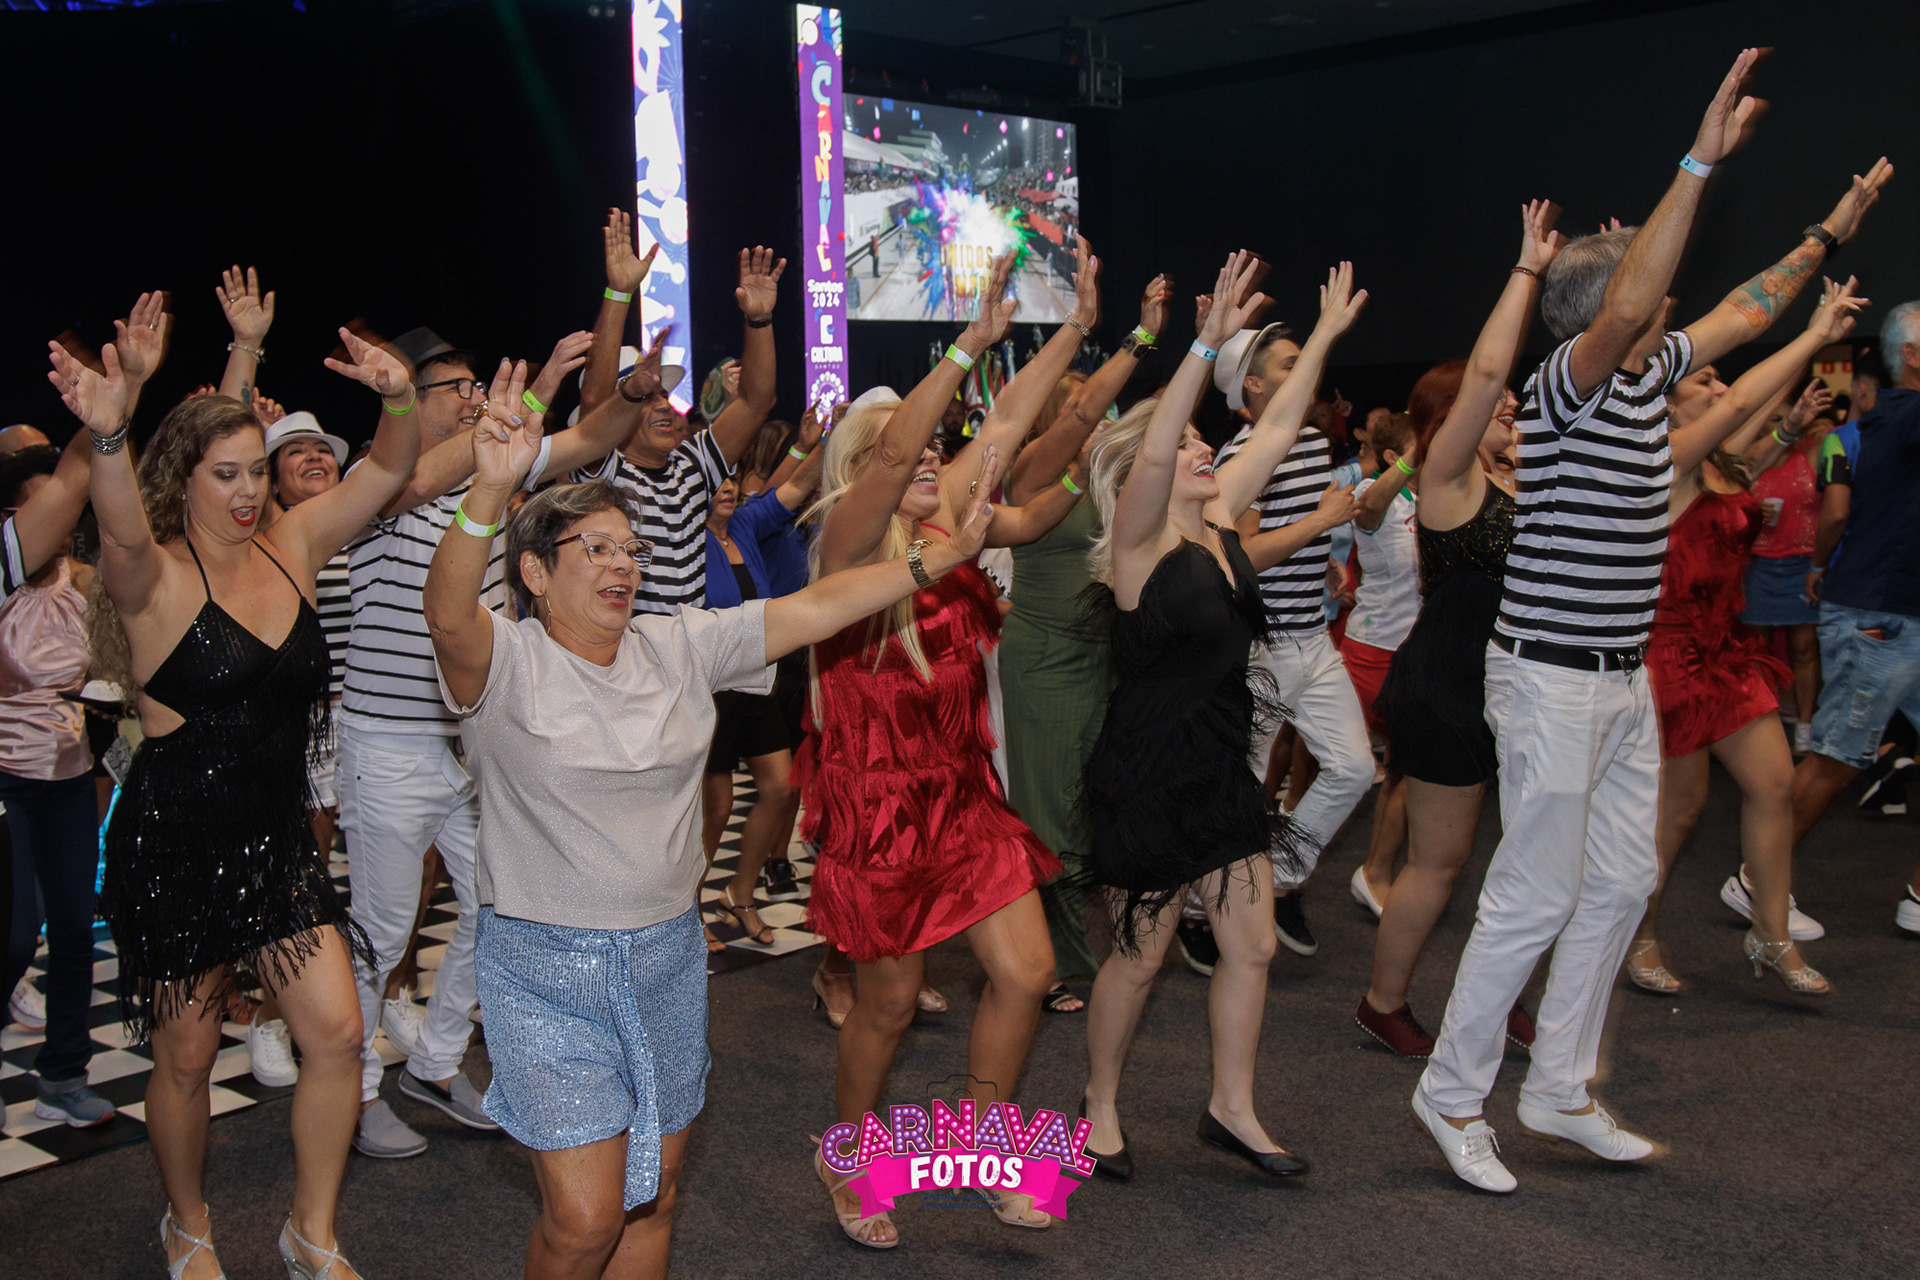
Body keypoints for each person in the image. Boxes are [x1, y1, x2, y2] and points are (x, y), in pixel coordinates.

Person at [1412, 52, 1886, 1194]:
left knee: (1621, 884)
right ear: (1603, 310)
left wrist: (1828, 231)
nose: (1661, 284)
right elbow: (1634, 298)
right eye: (1639, 267)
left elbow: (1745, 308)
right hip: (1550, 676)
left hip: (1622, 676)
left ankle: (1560, 1087)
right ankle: (1452, 1093)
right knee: (1534, 892)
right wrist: (1698, 161)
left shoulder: (1646, 375)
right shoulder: (1570, 384)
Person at [422, 363, 999, 1279]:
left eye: (630, 549)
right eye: (596, 549)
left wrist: (937, 558)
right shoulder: (506, 663)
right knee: (584, 1221)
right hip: (544, 969)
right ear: (534, 571)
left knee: (654, 1195)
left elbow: (813, 607)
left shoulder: (677, 644)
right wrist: (489, 490)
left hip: (666, 956)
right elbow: (448, 613)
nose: (623, 565)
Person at [51, 307, 423, 1279]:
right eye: (227, 473)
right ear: (185, 479)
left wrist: (398, 399)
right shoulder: (152, 578)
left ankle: (312, 1231)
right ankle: (187, 1223)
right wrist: (108, 432)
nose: (250, 489)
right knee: (185, 1057)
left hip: (277, 842)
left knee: (339, 1033)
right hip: (176, 848)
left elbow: (387, 471)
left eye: (258, 469)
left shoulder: (295, 543)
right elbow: (118, 524)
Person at [800, 248, 1093, 1247]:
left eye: (936, 451)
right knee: (884, 1008)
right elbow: (891, 462)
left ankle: (982, 1144)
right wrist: (966, 344)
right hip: (882, 810)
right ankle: (846, 1153)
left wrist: (1072, 329)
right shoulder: (846, 549)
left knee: (1027, 972)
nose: (932, 460)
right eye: (913, 453)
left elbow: (1004, 426)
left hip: (964, 795)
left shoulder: (946, 533)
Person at [1079, 253, 1367, 1185]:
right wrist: (1204, 344)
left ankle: (1230, 1108)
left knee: (1253, 944)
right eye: (1195, 446)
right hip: (1147, 776)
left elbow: (1277, 426)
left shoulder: (1222, 521)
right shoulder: (1139, 544)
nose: (1208, 451)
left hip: (1220, 769)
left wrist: (1324, 337)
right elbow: (1160, 446)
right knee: (1139, 957)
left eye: (1210, 443)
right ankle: (1099, 1104)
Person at [336, 316, 625, 1161]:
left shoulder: (492, 472)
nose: (470, 401)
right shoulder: (375, 481)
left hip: (471, 742)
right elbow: (416, 473)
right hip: (386, 744)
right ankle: (352, 1091)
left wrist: (613, 373)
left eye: (475, 387)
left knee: (500, 906)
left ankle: (433, 1063)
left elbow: (594, 436)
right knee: (383, 931)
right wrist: (530, 398)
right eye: (455, 390)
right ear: (407, 398)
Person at [1627, 278, 1867, 1000]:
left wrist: (1813, 351)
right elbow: (1741, 402)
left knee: (1775, 783)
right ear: (1668, 400)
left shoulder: (1720, 462)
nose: (1721, 386)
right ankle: (1635, 930)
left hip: (1727, 652)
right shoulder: (1664, 464)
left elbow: (1755, 405)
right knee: (1680, 810)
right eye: (1703, 379)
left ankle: (1771, 933)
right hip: (1670, 655)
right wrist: (1812, 335)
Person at [1362, 206, 1562, 1061]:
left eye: (1515, 402)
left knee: (1527, 860)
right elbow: (1487, 370)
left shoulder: (1522, 476)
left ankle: (1499, 991)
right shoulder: (1448, 480)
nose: (1511, 404)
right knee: (1440, 864)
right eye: (1498, 402)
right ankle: (1383, 1003)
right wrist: (1527, 273)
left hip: (1517, 686)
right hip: (1447, 690)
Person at [999, 272, 1172, 1013]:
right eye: (1084, 412)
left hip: (1101, 657)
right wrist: (1141, 337)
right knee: (1049, 812)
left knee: (1090, 806)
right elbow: (1083, 409)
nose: (1098, 422)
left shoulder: (1106, 487)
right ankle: (1053, 961)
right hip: (1043, 657)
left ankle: (1064, 942)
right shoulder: (1032, 476)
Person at [1215, 303, 1374, 958]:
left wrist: (1321, 560)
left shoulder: (1308, 441)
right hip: (1262, 649)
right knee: (1241, 789)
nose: (1306, 370)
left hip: (1312, 636)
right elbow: (1239, 557)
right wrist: (1320, 525)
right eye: (1289, 364)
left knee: (1355, 769)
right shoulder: (1244, 453)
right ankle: (1205, 912)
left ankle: (1276, 879)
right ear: (1253, 386)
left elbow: (1289, 536)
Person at [1794, 294, 1920, 935]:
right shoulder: (1902, 414)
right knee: (1837, 759)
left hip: (1900, 610)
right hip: (1877, 615)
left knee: (1838, 758)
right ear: (1913, 356)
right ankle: (1757, 877)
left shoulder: (1878, 427)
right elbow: (1834, 514)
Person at [574, 244, 785, 616]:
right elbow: (594, 406)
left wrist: (759, 321)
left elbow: (756, 402)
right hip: (626, 649)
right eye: (642, 396)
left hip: (691, 649)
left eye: (662, 394)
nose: (662, 405)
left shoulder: (693, 462)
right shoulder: (602, 474)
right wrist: (620, 293)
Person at [0, 445, 113, 1128]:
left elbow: (111, 668)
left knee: (73, 930)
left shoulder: (86, 582)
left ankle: (64, 1075)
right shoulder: (3, 584)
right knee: (15, 939)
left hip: (70, 775)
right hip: (7, 780)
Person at [697, 440, 826, 949]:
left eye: (732, 477)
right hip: (710, 686)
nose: (728, 487)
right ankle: (686, 913)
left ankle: (740, 894)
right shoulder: (687, 538)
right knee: (716, 808)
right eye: (717, 481)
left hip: (755, 677)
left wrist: (830, 438)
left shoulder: (746, 525)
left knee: (781, 788)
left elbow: (797, 485)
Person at [1342, 410, 1421, 918]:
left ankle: (1376, 872)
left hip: (1414, 651)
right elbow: (1367, 508)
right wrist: (1415, 456)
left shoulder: (1431, 496)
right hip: (1373, 649)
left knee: (1406, 768)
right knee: (1337, 764)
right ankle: (1282, 828)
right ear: (1395, 456)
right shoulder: (1376, 491)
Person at [1741, 379, 1839, 752]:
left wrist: (1827, 428)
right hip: (1758, 565)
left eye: (1784, 417)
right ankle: (1760, 726)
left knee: (1803, 648)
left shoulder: (1811, 452)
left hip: (1802, 564)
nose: (1780, 424)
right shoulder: (1749, 459)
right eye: (1772, 418)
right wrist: (1752, 510)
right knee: (1758, 650)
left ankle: (1805, 726)